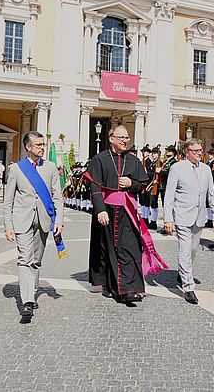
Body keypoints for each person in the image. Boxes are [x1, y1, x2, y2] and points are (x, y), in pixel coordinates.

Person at [86, 125, 150, 306]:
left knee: (130, 247)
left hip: (128, 210)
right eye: (121, 137)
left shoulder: (133, 160)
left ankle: (130, 289)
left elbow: (143, 186)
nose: (125, 141)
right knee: (108, 248)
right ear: (111, 138)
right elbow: (95, 187)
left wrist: (132, 183)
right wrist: (100, 210)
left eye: (127, 138)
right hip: (107, 210)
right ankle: (113, 287)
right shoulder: (100, 159)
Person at [3, 131, 64, 318]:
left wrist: (59, 220)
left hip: (44, 220)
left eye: (43, 145)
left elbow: (57, 197)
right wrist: (8, 226)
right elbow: (8, 200)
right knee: (24, 259)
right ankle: (27, 301)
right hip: (22, 220)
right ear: (28, 147)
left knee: (36, 260)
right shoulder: (16, 169)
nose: (42, 148)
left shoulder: (50, 167)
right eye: (38, 145)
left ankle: (33, 291)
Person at [163, 138, 214, 304]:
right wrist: (168, 219)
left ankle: (183, 272)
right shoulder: (177, 168)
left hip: (199, 216)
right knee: (185, 250)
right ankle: (188, 286)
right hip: (182, 216)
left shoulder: (206, 169)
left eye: (201, 150)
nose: (199, 153)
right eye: (195, 151)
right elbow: (169, 195)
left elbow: (211, 194)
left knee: (193, 249)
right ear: (186, 152)